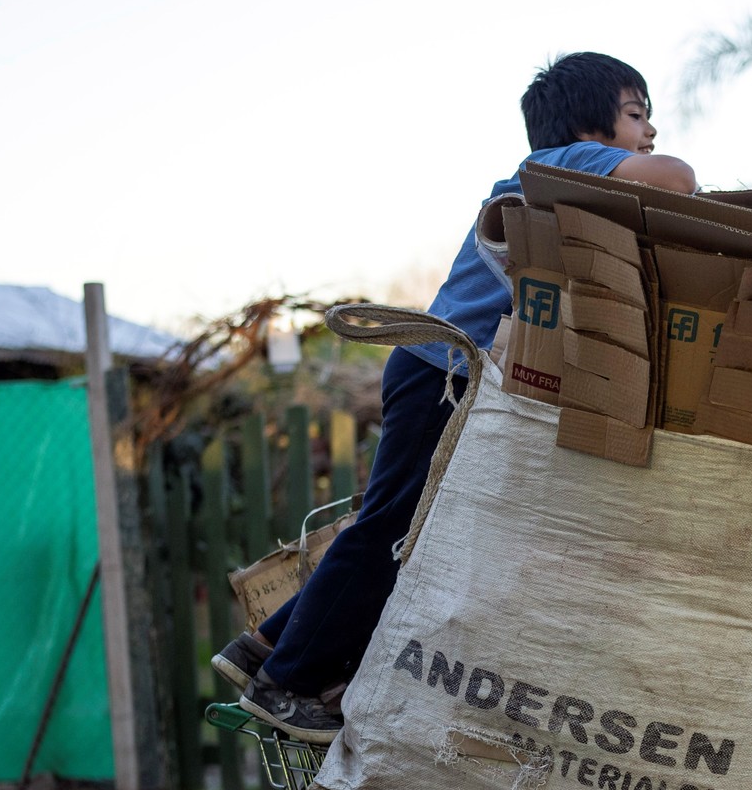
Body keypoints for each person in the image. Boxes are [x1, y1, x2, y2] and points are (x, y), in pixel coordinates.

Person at [219, 53, 699, 741]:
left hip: (439, 371)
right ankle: (289, 682)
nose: (650, 132)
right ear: (590, 126)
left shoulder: (564, 182)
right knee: (396, 530)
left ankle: (266, 643)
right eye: (637, 115)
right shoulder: (562, 165)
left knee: (401, 524)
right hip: (443, 371)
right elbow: (678, 181)